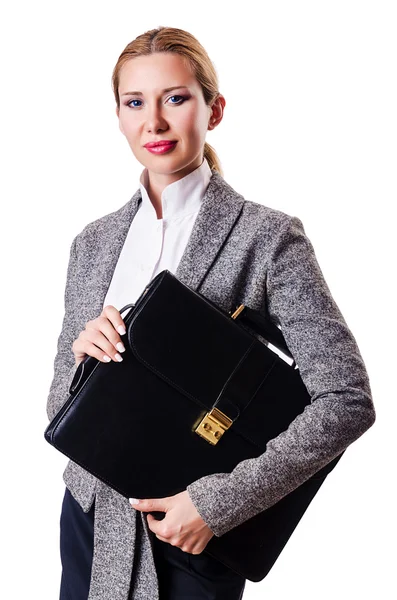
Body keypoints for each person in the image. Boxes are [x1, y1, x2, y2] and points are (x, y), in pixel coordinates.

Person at [46, 26, 376, 600]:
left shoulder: (266, 239)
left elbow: (346, 399)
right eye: (135, 103)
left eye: (175, 98)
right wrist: (83, 359)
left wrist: (218, 503)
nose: (154, 122)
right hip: (90, 528)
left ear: (214, 109)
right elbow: (57, 412)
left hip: (193, 540)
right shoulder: (92, 244)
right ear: (118, 116)